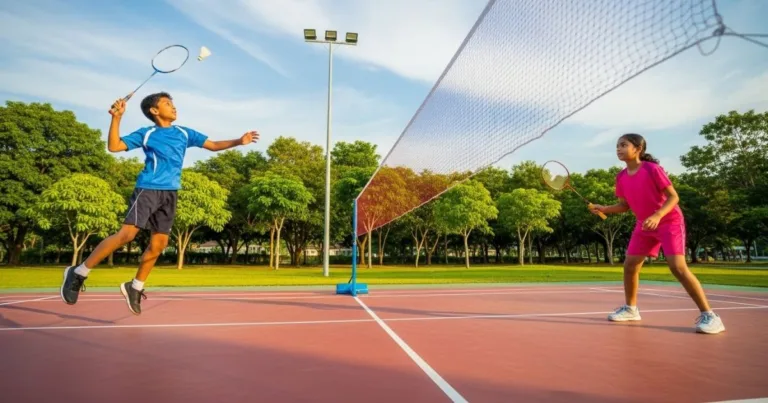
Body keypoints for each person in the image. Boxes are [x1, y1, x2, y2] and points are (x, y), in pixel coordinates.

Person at [60, 92, 259, 315]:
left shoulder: (184, 132)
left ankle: (135, 287)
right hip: (148, 189)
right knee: (127, 235)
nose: (173, 107)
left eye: (172, 104)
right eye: (167, 104)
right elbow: (114, 147)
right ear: (154, 111)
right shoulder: (148, 134)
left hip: (170, 193)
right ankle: (79, 272)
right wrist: (116, 118)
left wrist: (238, 142)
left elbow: (212, 145)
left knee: (159, 245)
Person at [590, 133, 725, 334]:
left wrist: (658, 215)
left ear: (638, 149)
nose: (618, 149)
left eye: (623, 145)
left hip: (668, 221)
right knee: (630, 265)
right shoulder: (621, 177)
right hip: (644, 225)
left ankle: (710, 316)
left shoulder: (652, 169)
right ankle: (631, 309)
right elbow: (624, 206)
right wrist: (605, 208)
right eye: (617, 146)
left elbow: (674, 197)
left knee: (677, 267)